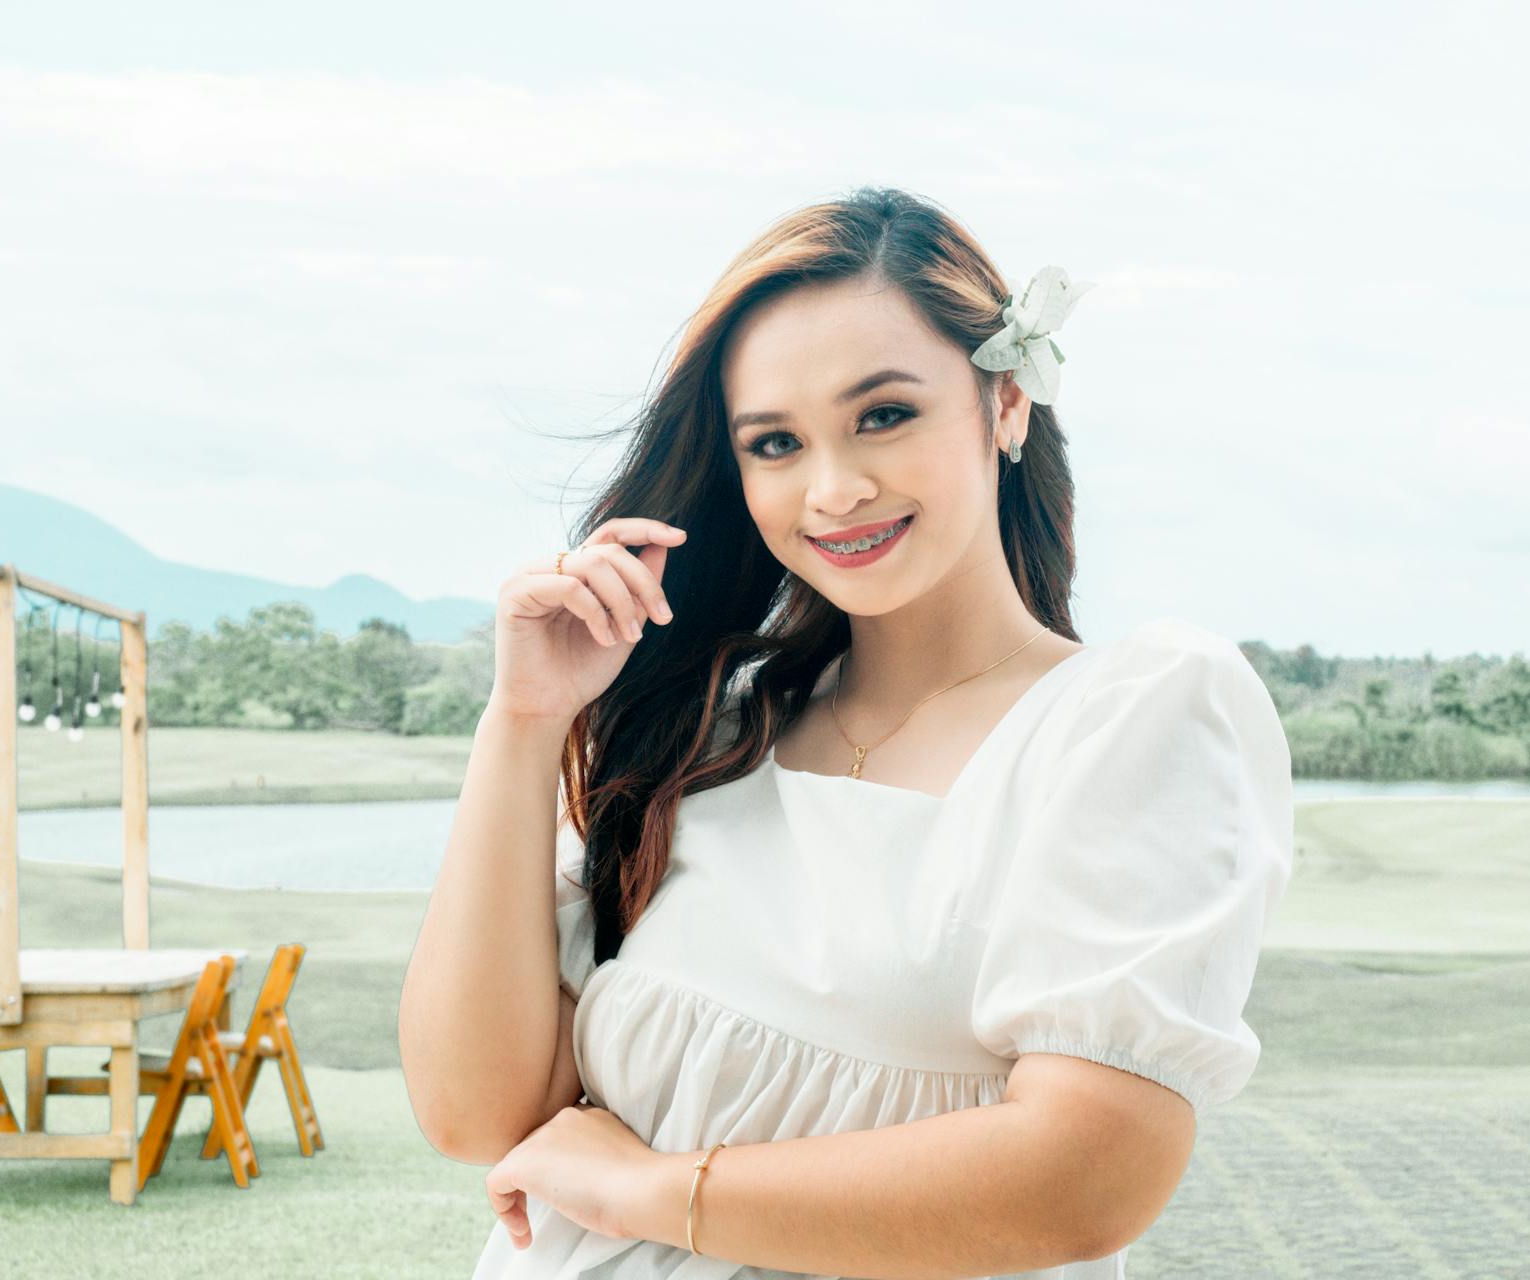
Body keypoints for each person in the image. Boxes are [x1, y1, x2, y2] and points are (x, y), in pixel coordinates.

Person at [398, 185, 1295, 1280]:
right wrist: (526, 719)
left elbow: (1089, 1172)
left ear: (1005, 402)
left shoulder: (1127, 720)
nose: (834, 489)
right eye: (776, 443)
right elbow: (473, 1111)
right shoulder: (709, 729)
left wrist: (653, 1191)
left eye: (883, 414)